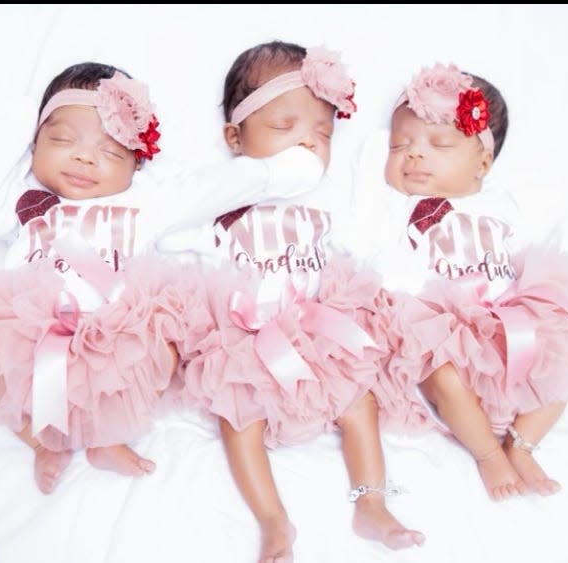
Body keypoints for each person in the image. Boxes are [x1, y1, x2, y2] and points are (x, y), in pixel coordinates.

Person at [0, 61, 324, 495]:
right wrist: (23, 116)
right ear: (34, 144)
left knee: (164, 350)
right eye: (62, 140)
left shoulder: (148, 200)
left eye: (110, 152)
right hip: (28, 330)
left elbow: (228, 185)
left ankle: (107, 437)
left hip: (110, 335)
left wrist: (296, 166)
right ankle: (41, 438)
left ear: (137, 164)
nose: (85, 157)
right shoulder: (25, 198)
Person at [173, 41, 425, 562]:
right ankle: (273, 520)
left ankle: (370, 503)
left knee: (360, 399)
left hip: (316, 329)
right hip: (247, 337)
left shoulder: (324, 199)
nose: (306, 146)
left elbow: (365, 235)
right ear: (235, 137)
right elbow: (170, 234)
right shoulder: (221, 202)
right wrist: (242, 182)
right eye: (284, 129)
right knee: (237, 412)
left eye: (321, 133)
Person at [355, 62, 568, 501]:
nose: (415, 154)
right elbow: (369, 179)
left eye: (440, 144)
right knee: (441, 377)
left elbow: (546, 234)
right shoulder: (394, 207)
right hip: (441, 331)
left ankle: (522, 444)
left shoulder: (505, 202)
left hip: (504, 324)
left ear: (482, 162)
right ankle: (489, 455)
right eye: (401, 145)